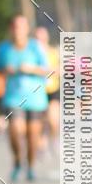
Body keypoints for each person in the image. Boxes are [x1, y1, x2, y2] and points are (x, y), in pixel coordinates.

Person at [0, 14, 49, 181]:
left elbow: (47, 69)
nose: (18, 30)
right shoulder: (3, 48)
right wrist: (6, 70)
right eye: (15, 26)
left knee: (33, 135)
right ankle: (18, 160)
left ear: (27, 29)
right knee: (15, 131)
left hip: (35, 98)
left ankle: (31, 165)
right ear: (11, 29)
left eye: (22, 26)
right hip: (13, 98)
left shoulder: (35, 47)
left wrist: (32, 69)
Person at [34, 26, 60, 156]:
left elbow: (61, 69)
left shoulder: (53, 52)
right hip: (38, 91)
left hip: (53, 90)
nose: (40, 40)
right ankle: (42, 146)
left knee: (53, 120)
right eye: (37, 38)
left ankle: (54, 139)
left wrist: (55, 71)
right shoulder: (32, 54)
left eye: (42, 37)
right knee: (42, 122)